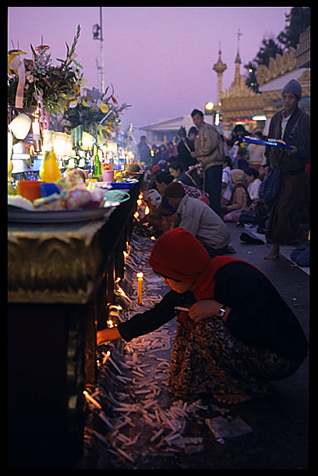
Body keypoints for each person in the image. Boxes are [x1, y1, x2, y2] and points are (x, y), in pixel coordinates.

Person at [97, 228, 308, 404]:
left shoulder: (237, 280)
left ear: (183, 273)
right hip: (256, 345)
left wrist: (221, 311)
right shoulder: (197, 279)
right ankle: (213, 380)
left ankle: (248, 386)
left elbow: (264, 332)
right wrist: (105, 335)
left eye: (168, 278)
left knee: (205, 323)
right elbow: (156, 316)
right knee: (190, 314)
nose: (165, 283)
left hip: (280, 355)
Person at [264, 79, 310, 260]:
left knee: (285, 207)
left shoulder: (305, 120)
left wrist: (298, 151)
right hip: (278, 168)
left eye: (291, 97)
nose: (287, 100)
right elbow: (269, 143)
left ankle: (276, 247)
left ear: (297, 99)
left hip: (295, 170)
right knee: (277, 205)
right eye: (284, 96)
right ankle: (297, 238)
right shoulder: (276, 118)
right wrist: (267, 164)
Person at [164, 181, 231, 257]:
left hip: (215, 245)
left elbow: (184, 235)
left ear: (176, 197)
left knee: (183, 250)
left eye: (169, 199)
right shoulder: (189, 203)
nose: (169, 203)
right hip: (220, 241)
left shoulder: (189, 207)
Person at [190, 109, 224, 215]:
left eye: (197, 118)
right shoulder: (200, 131)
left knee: (214, 192)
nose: (196, 121)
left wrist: (198, 153)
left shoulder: (208, 129)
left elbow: (210, 145)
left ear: (202, 118)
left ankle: (216, 217)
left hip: (214, 163)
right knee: (209, 192)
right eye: (194, 119)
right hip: (208, 164)